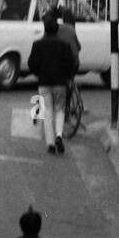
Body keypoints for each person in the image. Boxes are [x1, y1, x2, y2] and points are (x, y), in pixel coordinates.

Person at [27, 14, 78, 154]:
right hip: (60, 83)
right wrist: (67, 76)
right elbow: (70, 64)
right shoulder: (64, 45)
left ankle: (50, 143)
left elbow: (31, 64)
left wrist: (39, 73)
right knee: (60, 110)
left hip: (44, 82)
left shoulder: (37, 45)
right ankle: (59, 135)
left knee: (47, 112)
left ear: (45, 29)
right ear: (57, 30)